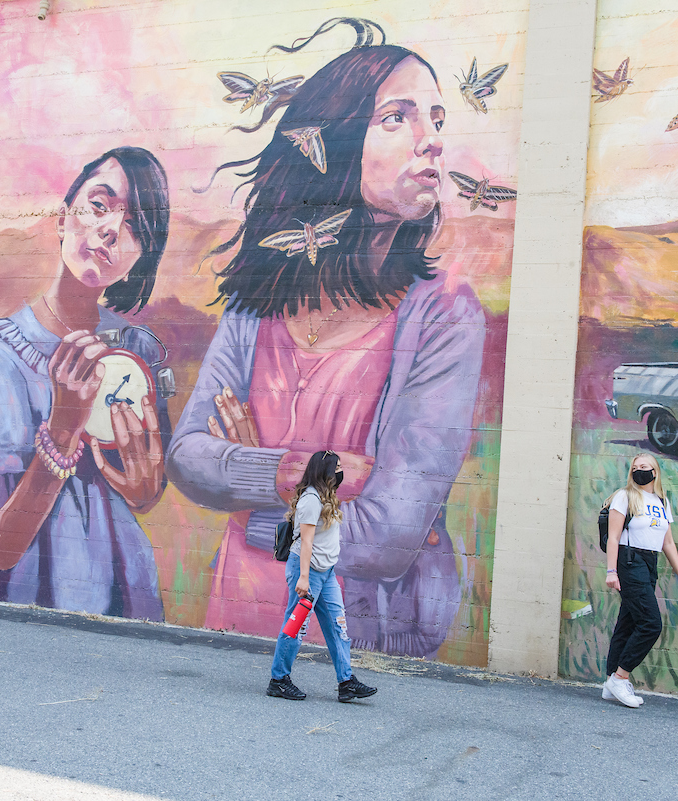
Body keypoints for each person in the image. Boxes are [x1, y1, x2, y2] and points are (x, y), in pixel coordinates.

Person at [166, 20, 484, 657]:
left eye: (438, 119)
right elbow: (188, 459)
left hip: (363, 638)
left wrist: (251, 487)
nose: (432, 141)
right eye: (397, 117)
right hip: (236, 614)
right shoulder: (256, 300)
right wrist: (311, 474)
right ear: (333, 145)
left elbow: (389, 537)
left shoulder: (445, 317)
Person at [0, 147, 171, 620]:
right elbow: (3, 547)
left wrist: (144, 487)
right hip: (31, 593)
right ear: (63, 218)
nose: (112, 229)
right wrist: (62, 427)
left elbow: (145, 490)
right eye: (99, 205)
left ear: (141, 256)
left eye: (135, 224)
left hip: (127, 592)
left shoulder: (137, 350)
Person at [267, 451, 377, 702]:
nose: (340, 471)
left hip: (326, 574)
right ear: (324, 471)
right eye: (336, 467)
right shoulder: (310, 500)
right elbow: (306, 542)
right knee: (296, 627)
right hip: (307, 571)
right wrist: (303, 579)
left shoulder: (327, 498)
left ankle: (346, 682)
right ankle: (278, 680)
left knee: (338, 627)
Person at [601, 452, 678, 708]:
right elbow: (614, 537)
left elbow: (668, 542)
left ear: (655, 471)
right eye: (636, 467)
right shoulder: (625, 496)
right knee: (651, 623)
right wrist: (611, 571)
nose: (640, 470)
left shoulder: (661, 501)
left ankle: (610, 683)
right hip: (629, 561)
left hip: (650, 563)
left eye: (645, 466)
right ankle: (621, 677)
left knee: (628, 621)